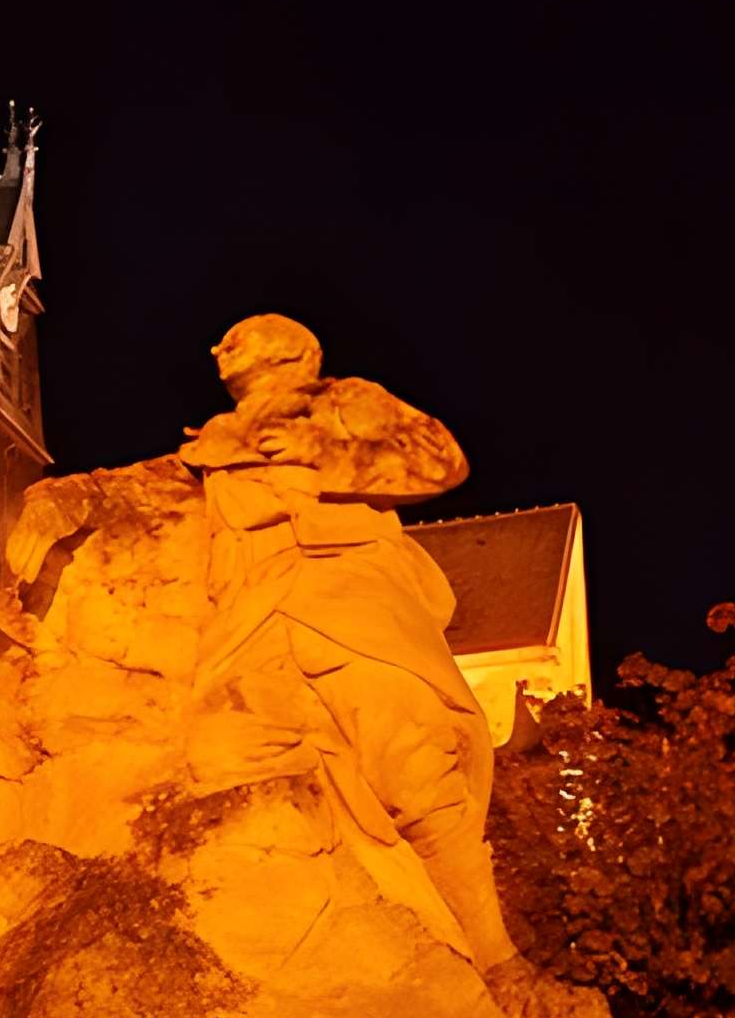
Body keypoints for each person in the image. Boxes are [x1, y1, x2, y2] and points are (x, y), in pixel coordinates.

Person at [177, 314, 520, 979]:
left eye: (246, 332)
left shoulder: (342, 399)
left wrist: (317, 454)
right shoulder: (216, 436)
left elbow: (438, 459)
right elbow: (152, 495)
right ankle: (287, 965)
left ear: (299, 349)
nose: (225, 343)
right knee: (216, 762)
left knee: (410, 767)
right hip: (248, 612)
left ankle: (493, 958)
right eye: (224, 339)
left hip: (344, 595)